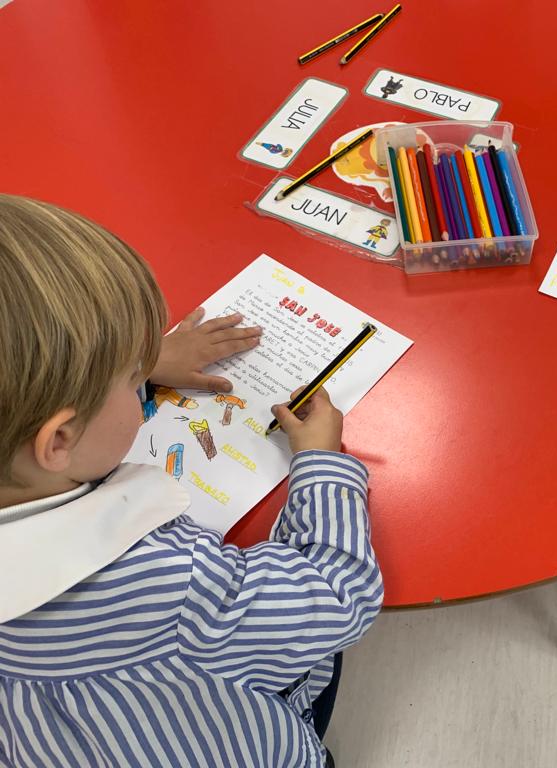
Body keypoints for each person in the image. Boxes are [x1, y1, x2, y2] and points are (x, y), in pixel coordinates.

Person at [0, 195, 383, 766]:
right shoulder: (167, 584)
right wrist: (322, 464)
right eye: (132, 379)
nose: (141, 382)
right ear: (58, 441)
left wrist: (133, 362)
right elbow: (338, 597)